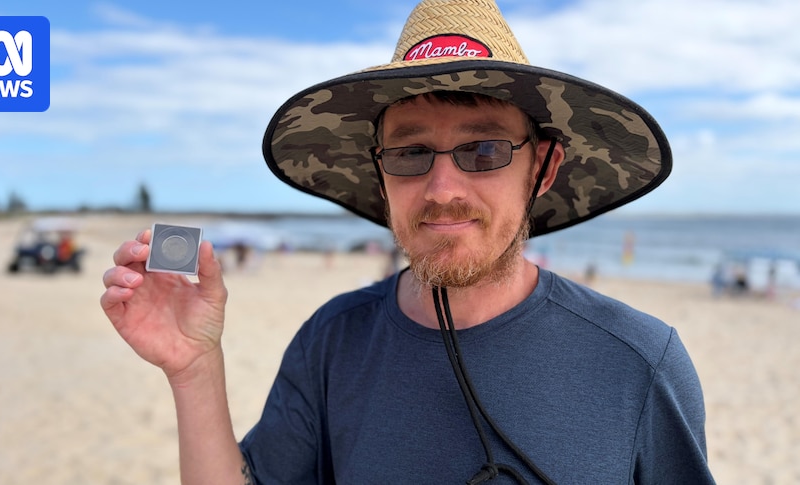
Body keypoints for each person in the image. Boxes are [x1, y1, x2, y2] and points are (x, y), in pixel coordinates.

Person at [101, 1, 715, 483]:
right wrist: (194, 369)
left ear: (544, 167)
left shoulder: (640, 361)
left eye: (484, 150)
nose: (442, 190)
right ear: (380, 173)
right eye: (410, 152)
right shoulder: (332, 342)